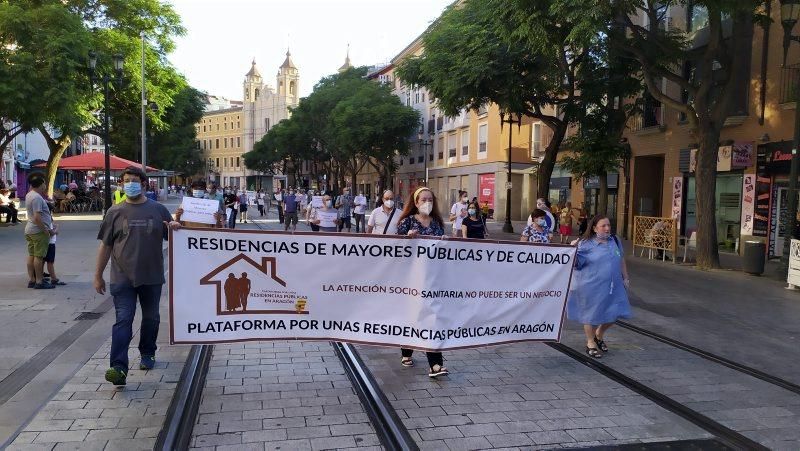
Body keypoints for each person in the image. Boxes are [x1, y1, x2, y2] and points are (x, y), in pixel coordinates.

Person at [94, 167, 180, 385]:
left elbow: (174, 237)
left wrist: (176, 228)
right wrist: (98, 275)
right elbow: (105, 246)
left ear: (143, 184)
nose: (129, 184)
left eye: (134, 180)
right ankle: (118, 367)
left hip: (152, 276)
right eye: (125, 181)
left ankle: (147, 352)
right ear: (121, 185)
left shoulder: (158, 210)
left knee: (151, 318)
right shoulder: (114, 212)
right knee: (123, 319)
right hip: (122, 277)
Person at [396, 187, 449, 378]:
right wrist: (407, 239)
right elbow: (396, 250)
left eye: (430, 199)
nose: (427, 202)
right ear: (416, 202)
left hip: (432, 279)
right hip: (411, 279)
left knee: (431, 317)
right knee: (412, 316)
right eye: (423, 199)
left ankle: (435, 364)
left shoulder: (437, 224)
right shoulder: (406, 222)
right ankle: (406, 350)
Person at [567, 215, 631, 359]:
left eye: (608, 225)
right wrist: (572, 250)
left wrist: (625, 277)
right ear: (595, 228)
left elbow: (621, 259)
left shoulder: (615, 240)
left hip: (614, 286)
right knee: (591, 315)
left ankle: (599, 334)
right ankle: (590, 342)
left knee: (615, 312)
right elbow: (576, 264)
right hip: (591, 286)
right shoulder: (585, 243)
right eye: (603, 226)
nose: (607, 228)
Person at [24, 173, 57, 289]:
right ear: (40, 184)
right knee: (39, 256)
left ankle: (32, 280)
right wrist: (46, 230)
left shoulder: (29, 195)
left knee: (32, 255)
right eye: (44, 183)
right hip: (38, 231)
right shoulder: (37, 198)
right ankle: (39, 281)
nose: (45, 186)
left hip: (30, 230)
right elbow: (38, 217)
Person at [43, 204, 66, 286]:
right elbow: (52, 232)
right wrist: (57, 229)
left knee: (43, 260)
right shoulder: (47, 217)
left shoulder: (44, 217)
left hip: (46, 242)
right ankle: (54, 278)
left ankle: (40, 276)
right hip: (50, 242)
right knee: (50, 262)